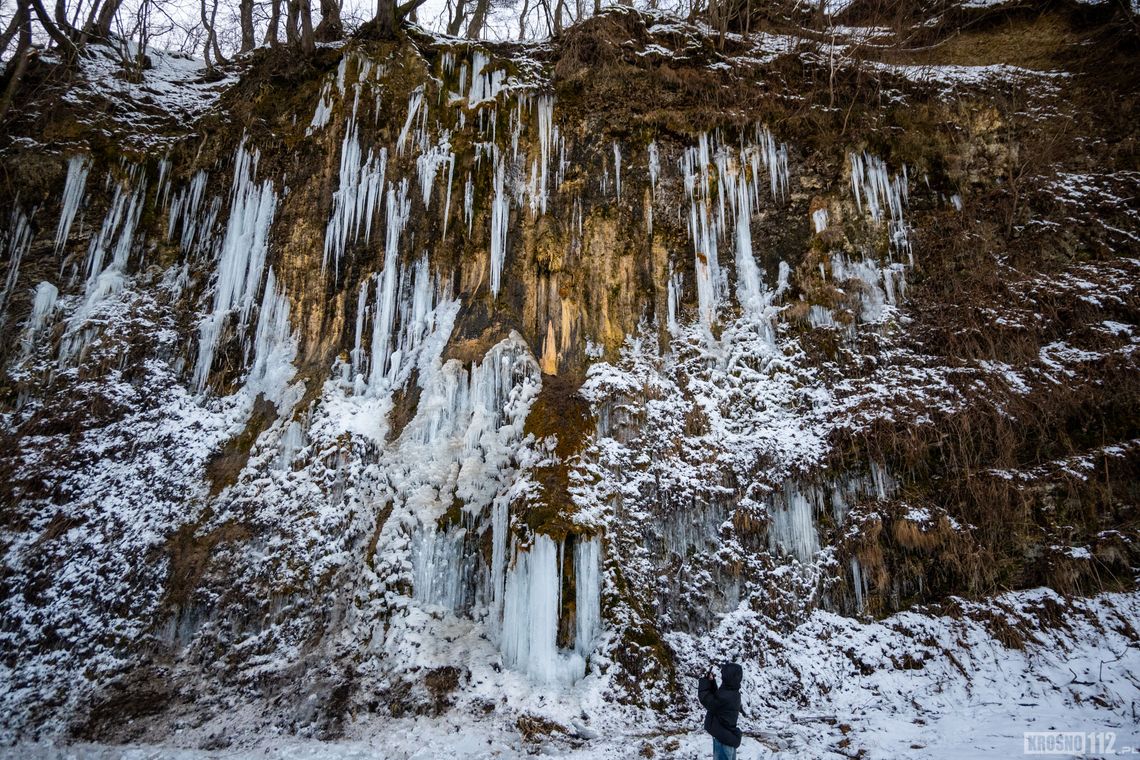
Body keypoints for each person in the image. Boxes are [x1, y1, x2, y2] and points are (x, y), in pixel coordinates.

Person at [698, 662, 743, 760]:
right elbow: (716, 698)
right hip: (726, 737)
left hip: (723, 739)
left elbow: (707, 700)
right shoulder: (732, 692)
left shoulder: (726, 696)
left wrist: (703, 680)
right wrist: (711, 682)